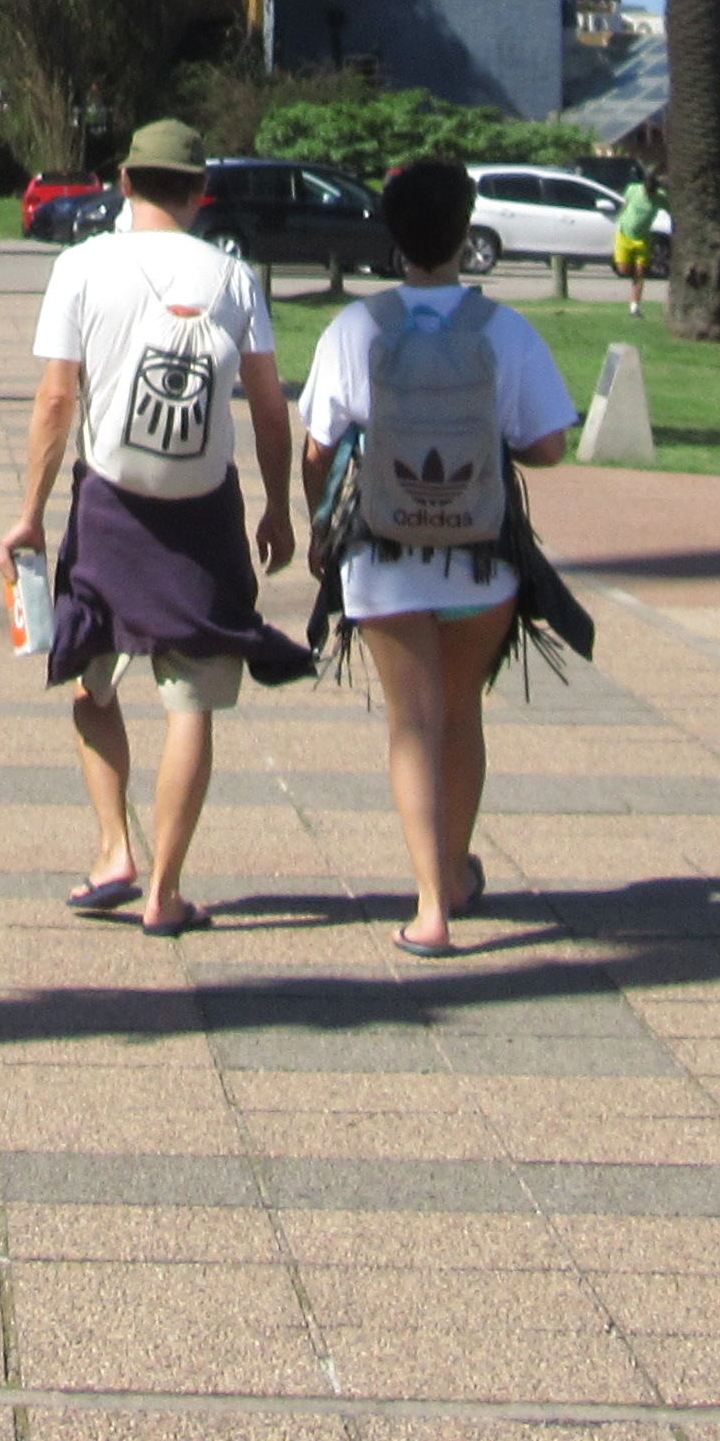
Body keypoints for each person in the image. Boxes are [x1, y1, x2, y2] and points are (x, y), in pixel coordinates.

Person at [0, 116, 305, 935]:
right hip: (206, 513)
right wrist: (277, 506)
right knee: (191, 703)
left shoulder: (82, 267)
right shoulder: (234, 278)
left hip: (108, 503)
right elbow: (270, 410)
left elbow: (58, 398)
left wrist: (30, 515)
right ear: (200, 192)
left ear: (126, 183)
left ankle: (113, 850)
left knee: (90, 681)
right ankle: (166, 891)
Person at [300, 153, 580, 954]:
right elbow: (550, 445)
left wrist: (314, 523)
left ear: (393, 235)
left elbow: (320, 448)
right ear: (465, 232)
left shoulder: (358, 327)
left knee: (410, 723)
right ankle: (456, 870)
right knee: (460, 714)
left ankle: (430, 907)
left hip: (382, 555)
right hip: (481, 555)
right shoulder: (504, 330)